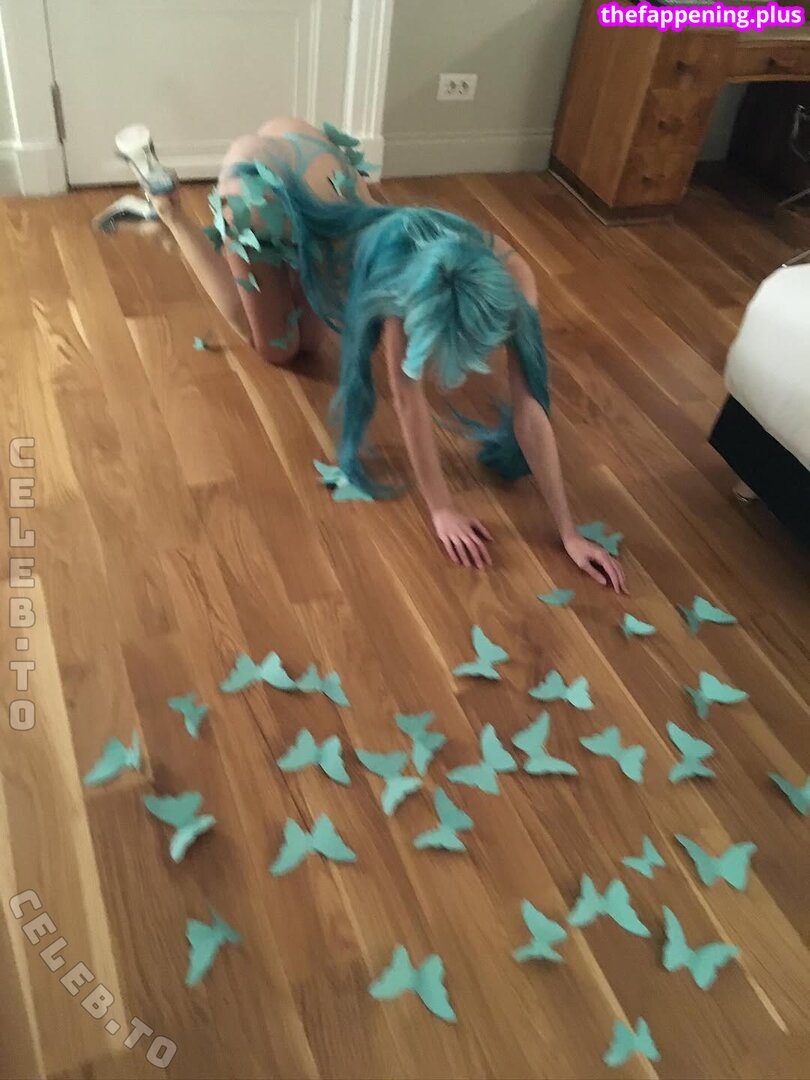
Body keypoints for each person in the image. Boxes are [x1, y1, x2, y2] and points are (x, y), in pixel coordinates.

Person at [142, 116, 625, 589]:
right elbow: (407, 399)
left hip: (311, 160)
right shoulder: (407, 290)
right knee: (278, 348)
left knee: (310, 341)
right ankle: (168, 208)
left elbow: (530, 409)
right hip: (256, 191)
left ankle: (286, 261)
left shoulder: (515, 276)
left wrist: (569, 532)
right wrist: (441, 509)